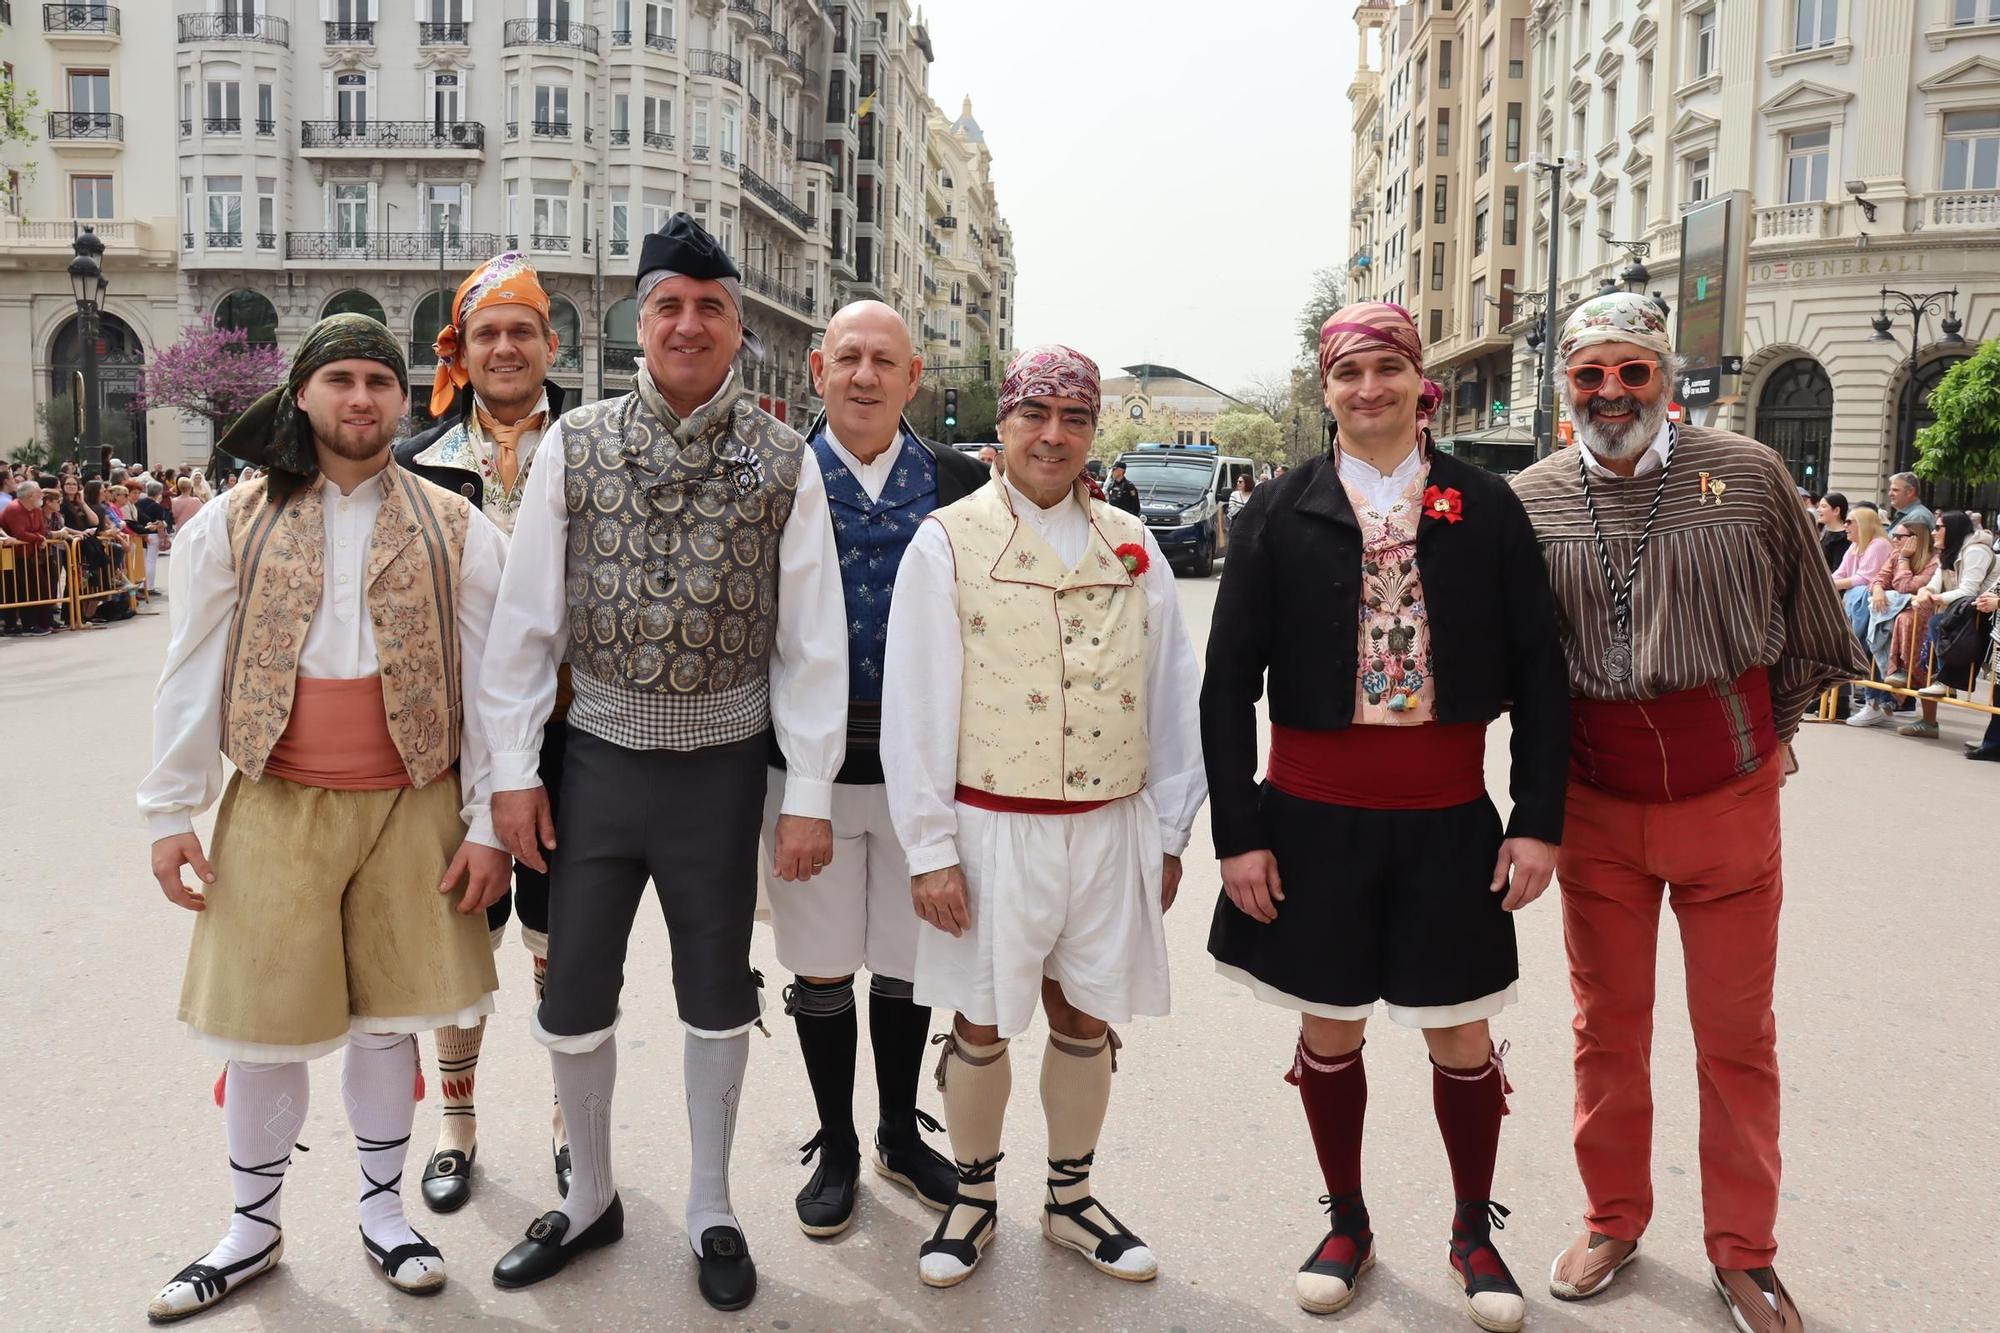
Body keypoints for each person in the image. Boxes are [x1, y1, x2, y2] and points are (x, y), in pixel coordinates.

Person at [479, 213, 846, 1312]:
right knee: (574, 993)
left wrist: (809, 796)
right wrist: (510, 767)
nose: (689, 323)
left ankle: (708, 1202)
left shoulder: (786, 457)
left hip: (723, 774)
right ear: (639, 323)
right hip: (592, 765)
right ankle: (590, 1195)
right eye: (668, 305)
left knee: (716, 997)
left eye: (710, 306)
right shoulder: (574, 444)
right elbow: (527, 625)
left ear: (738, 328)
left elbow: (811, 644)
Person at [137, 314, 509, 1321]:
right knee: (258, 1034)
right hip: (274, 797)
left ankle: (384, 1217)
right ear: (302, 392)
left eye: (378, 382)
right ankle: (250, 1231)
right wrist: (172, 810)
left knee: (389, 1030)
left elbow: (497, 686)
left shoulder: (459, 526)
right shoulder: (233, 521)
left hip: (412, 801)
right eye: (339, 378)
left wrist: (487, 823)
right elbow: (188, 674)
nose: (359, 398)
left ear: (405, 400)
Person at [1203, 303, 1568, 1330]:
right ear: (1325, 390)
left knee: (1459, 1031)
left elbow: (1541, 675)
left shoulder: (1484, 506)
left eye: (1386, 370)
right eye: (1348, 372)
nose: (1367, 388)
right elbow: (1225, 684)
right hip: (1311, 815)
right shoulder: (1275, 510)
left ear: (1420, 385)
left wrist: (1535, 820)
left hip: (1448, 812)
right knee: (1330, 1023)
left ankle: (1470, 1227)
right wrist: (1240, 832)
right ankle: (1345, 1218)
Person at [1509, 292, 1864, 1333]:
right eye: (1589, 374)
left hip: (1727, 796)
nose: (1610, 391)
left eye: (1630, 370)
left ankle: (1742, 1250)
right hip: (1593, 803)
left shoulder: (1746, 475)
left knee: (1735, 1035)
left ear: (1664, 375)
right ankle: (1612, 1216)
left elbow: (1806, 623)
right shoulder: (1527, 500)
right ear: (1564, 386)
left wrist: (1771, 737)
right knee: (1602, 1029)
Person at [881, 344, 1205, 1290]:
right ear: (1005, 426)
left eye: (1074, 419)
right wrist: (931, 849)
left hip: (1109, 827)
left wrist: (1173, 831)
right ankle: (972, 1195)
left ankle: (1070, 1198)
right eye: (1035, 415)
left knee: (1086, 1012)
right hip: (993, 827)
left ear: (1092, 432)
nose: (1053, 436)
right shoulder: (947, 540)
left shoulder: (1130, 547)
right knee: (982, 1019)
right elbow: (916, 707)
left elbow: (1170, 693)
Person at [762, 300, 985, 1239]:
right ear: (817, 369)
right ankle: (838, 1141)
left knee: (903, 962)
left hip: (921, 777)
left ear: (913, 375)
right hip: (801, 772)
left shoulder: (966, 486)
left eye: (882, 360)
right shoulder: (776, 477)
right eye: (846, 357)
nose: (863, 375)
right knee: (820, 967)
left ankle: (897, 1130)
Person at [392, 252, 575, 1216]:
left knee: (559, 940)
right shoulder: (415, 460)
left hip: (573, 737)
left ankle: (564, 1121)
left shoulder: (591, 448)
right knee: (462, 934)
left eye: (524, 329)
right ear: (458, 349)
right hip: (454, 748)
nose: (506, 347)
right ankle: (456, 1124)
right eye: (486, 332)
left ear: (552, 343)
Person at [1903, 513, 1998, 737]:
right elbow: (1934, 585)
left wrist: (1935, 599)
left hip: (1980, 617)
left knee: (1937, 623)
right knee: (1933, 637)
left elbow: (1969, 591)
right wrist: (1927, 593)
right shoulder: (1949, 552)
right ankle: (1930, 716)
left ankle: (1947, 682)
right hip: (1958, 616)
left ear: (1952, 529)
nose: (1934, 531)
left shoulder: (1975, 551)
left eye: (1939, 527)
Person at [1848, 517, 1936, 728]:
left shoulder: (1933, 561)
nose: (1894, 539)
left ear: (1916, 539)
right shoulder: (1896, 554)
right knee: (1876, 631)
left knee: (1892, 627)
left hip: (1919, 624)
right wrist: (1878, 590)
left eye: (1899, 536)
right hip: (1892, 619)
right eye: (1893, 535)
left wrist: (1905, 560)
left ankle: (1886, 703)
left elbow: (1906, 585)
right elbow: (1878, 579)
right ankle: (1875, 703)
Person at [0, 479, 58, 635]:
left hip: (31, 555)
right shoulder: (14, 509)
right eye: (39, 492)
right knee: (24, 590)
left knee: (41, 587)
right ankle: (29, 625)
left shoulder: (37, 510)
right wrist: (38, 539)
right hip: (12, 557)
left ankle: (44, 623)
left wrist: (38, 537)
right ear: (30, 495)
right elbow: (20, 533)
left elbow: (41, 529)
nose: (42, 494)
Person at [135, 479, 172, 597]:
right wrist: (163, 539)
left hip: (140, 533)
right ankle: (149, 586)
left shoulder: (138, 503)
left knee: (143, 560)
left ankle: (141, 585)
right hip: (152, 533)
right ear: (159, 493)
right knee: (151, 561)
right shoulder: (157, 506)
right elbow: (160, 524)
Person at [1814, 492, 1849, 570]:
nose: (1818, 510)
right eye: (1819, 506)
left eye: (1823, 506)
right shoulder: (1825, 532)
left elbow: (1837, 569)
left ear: (1836, 510)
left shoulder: (1843, 538)